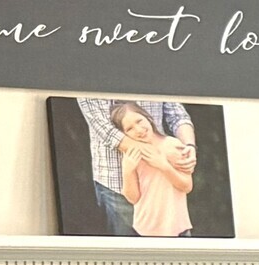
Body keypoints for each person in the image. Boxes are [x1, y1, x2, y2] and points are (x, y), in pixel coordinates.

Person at [81, 96, 197, 235]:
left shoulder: (173, 147)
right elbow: (105, 129)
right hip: (116, 187)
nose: (138, 130)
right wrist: (129, 169)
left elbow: (177, 113)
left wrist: (188, 147)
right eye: (129, 128)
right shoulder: (131, 159)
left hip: (175, 223)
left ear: (147, 117)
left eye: (139, 121)